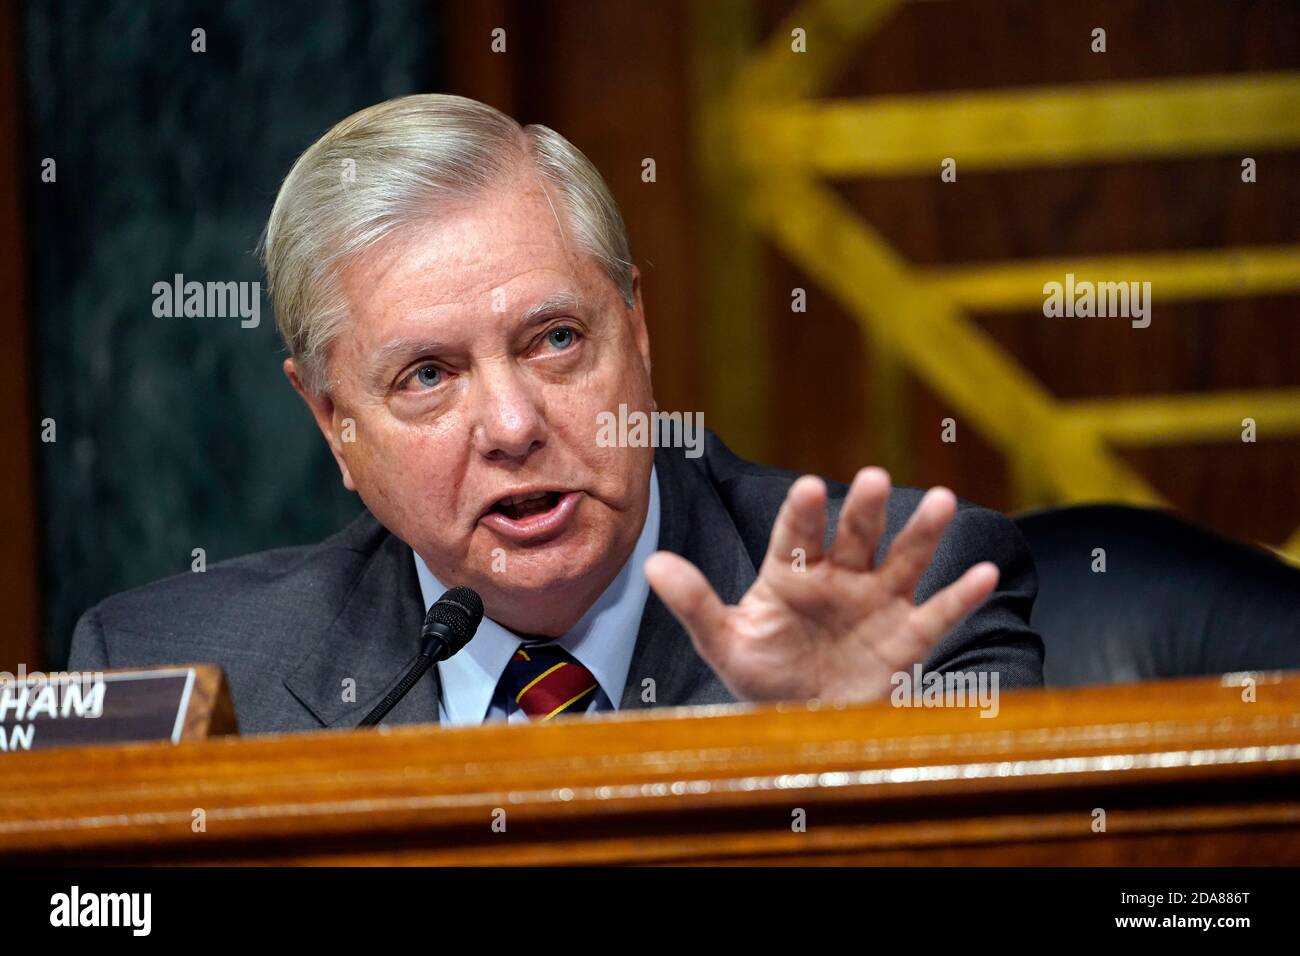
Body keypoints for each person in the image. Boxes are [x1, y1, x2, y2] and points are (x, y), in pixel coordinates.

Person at [69, 94, 1042, 733]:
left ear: (639, 330)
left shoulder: (908, 599)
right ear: (332, 422)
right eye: (426, 376)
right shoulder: (174, 674)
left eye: (555, 340)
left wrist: (818, 763)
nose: (509, 423)